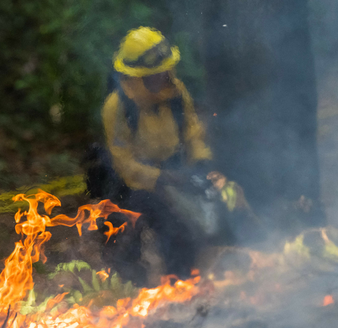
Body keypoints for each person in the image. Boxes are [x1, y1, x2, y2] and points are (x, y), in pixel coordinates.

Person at [86, 27, 255, 284]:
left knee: (189, 227)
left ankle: (187, 282)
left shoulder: (176, 92)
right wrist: (162, 179)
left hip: (174, 170)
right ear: (136, 77)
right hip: (131, 183)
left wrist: (202, 163)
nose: (164, 77)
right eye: (155, 74)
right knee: (127, 234)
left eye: (165, 70)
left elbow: (192, 133)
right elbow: (124, 163)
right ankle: (131, 290)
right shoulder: (116, 107)